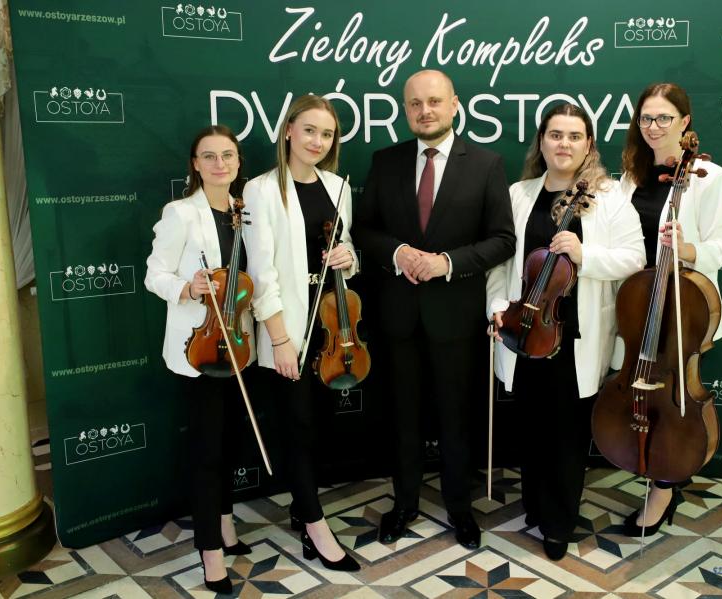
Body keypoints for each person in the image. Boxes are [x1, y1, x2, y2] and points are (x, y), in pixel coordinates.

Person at [352, 69, 515, 550]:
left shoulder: (486, 164)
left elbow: (503, 239)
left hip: (456, 319)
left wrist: (447, 263)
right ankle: (404, 504)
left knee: (455, 420)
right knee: (402, 418)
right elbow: (365, 230)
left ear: (454, 105)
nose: (425, 111)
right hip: (398, 318)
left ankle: (459, 509)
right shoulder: (385, 162)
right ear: (406, 110)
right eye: (415, 103)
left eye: (435, 101)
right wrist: (399, 253)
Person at [486, 103, 645, 560]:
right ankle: (536, 506)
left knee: (567, 435)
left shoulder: (609, 196)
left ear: (588, 144)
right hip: (524, 331)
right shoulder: (519, 193)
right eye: (555, 135)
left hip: (576, 337)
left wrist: (583, 254)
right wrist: (498, 308)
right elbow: (501, 263)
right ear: (541, 141)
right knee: (532, 428)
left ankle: (558, 524)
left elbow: (635, 258)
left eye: (575, 136)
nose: (564, 144)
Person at [242, 95, 360, 571]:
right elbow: (261, 273)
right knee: (298, 425)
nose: (317, 141)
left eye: (327, 134)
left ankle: (300, 507)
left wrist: (349, 257)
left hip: (332, 327)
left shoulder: (338, 186)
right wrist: (279, 339)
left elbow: (345, 247)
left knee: (321, 427)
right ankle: (315, 527)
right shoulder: (260, 189)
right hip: (289, 329)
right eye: (309, 130)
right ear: (288, 130)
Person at [619, 82, 722, 536]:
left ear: (684, 121)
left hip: (683, 309)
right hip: (637, 306)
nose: (654, 127)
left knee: (674, 401)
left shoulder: (710, 176)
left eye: (664, 118)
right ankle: (644, 464)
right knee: (638, 391)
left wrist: (688, 250)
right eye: (646, 118)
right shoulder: (630, 175)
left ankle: (664, 486)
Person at [145, 125, 255, 595]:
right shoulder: (181, 213)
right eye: (208, 156)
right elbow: (154, 274)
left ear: (238, 161)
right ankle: (210, 550)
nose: (219, 164)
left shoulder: (244, 212)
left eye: (227, 155)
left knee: (230, 443)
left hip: (239, 346)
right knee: (207, 450)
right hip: (200, 347)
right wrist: (187, 287)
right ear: (195, 164)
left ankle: (225, 522)